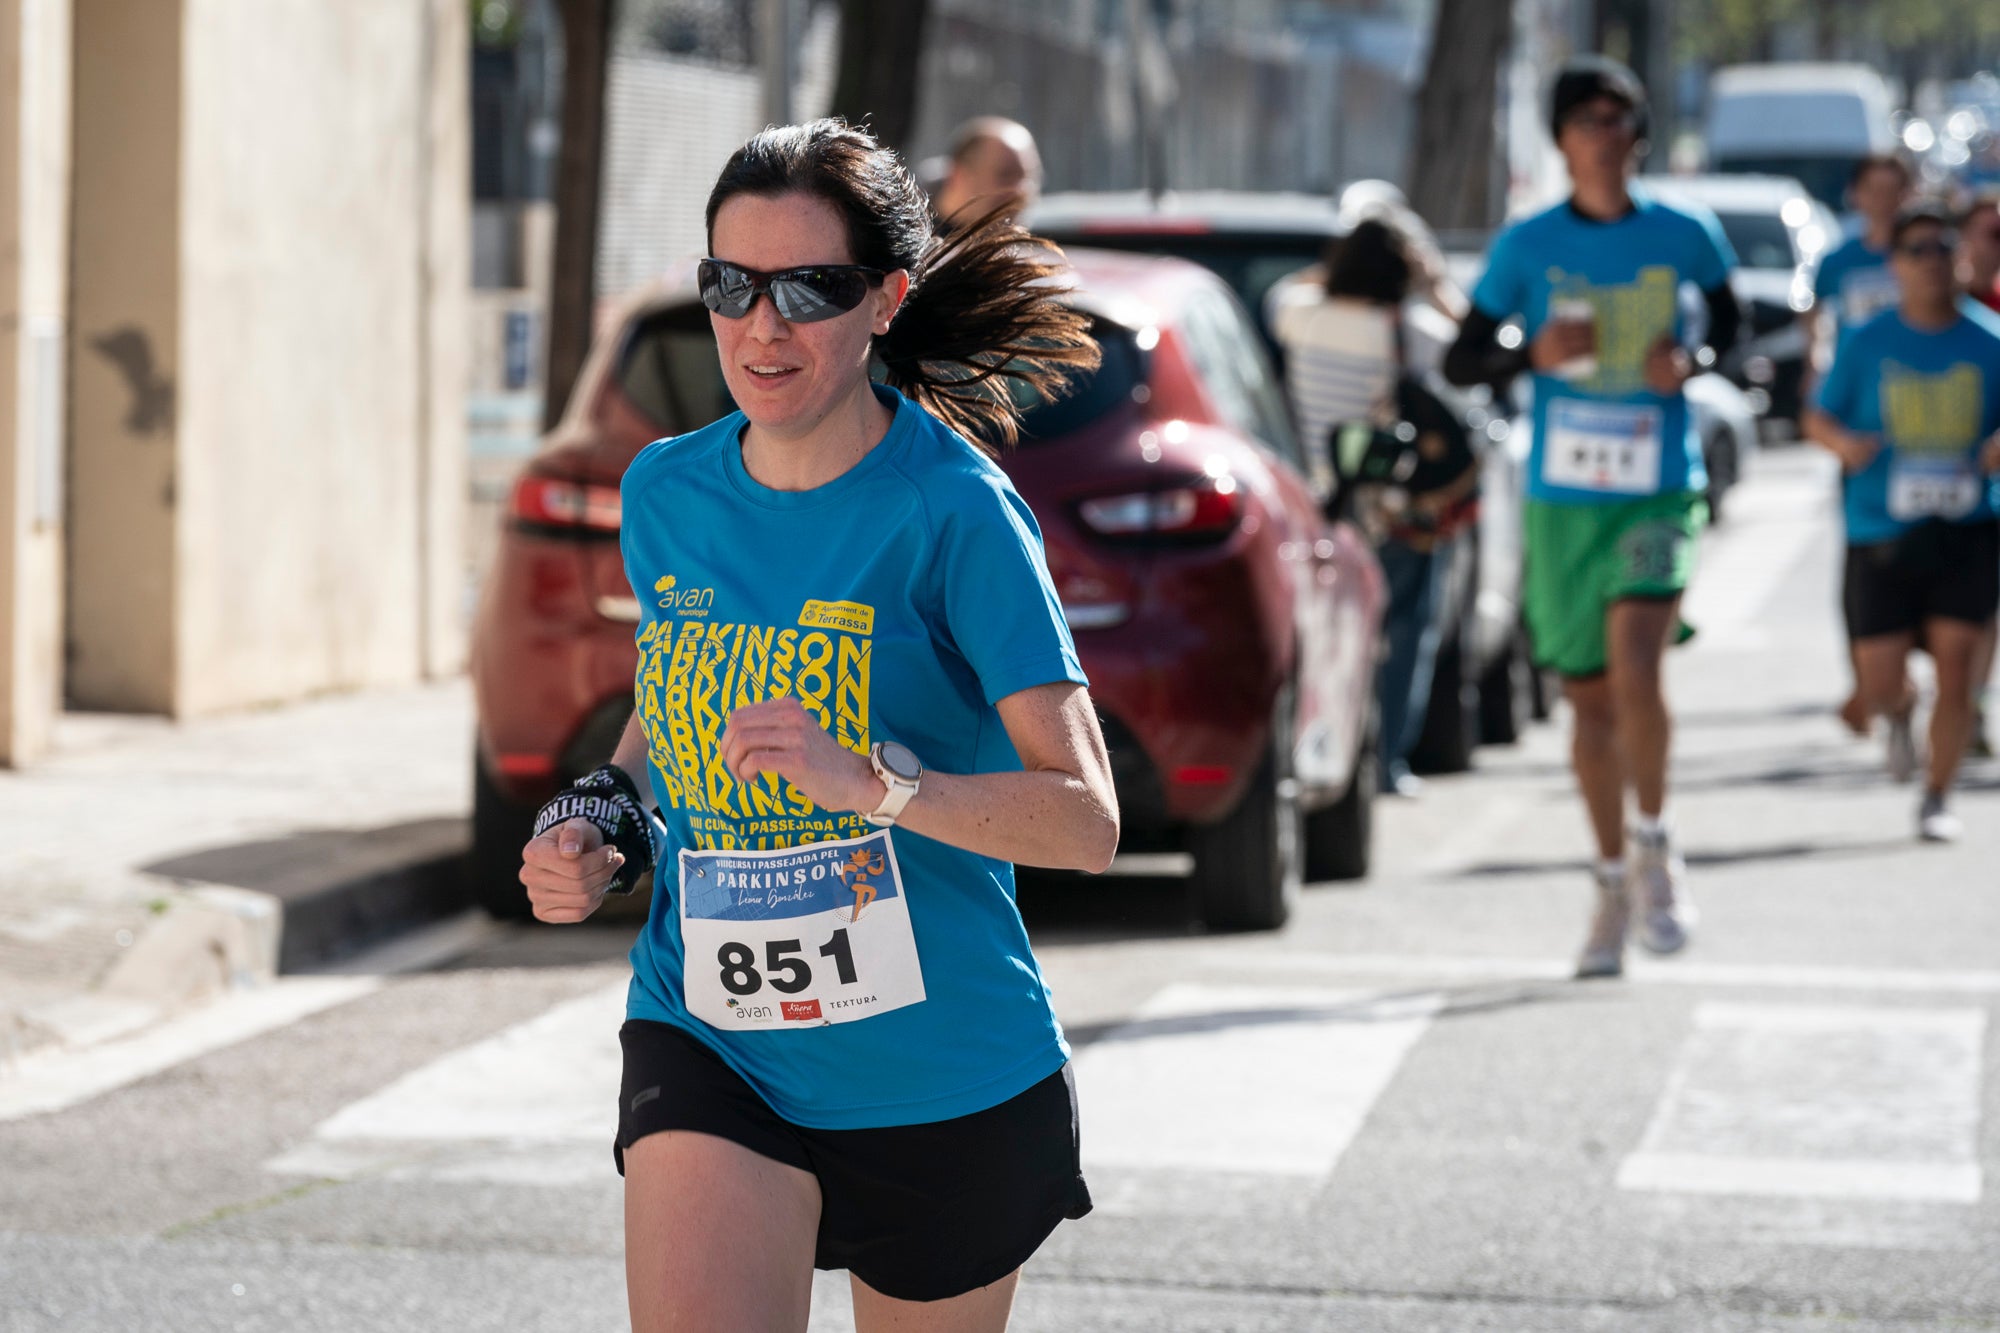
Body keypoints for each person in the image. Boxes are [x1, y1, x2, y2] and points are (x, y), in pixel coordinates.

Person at [518, 119, 1117, 1332]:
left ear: (885, 300)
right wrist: (604, 815)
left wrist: (876, 786)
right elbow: (670, 702)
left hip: (939, 1079)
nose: (762, 327)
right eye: (730, 285)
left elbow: (1085, 819)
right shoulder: (666, 491)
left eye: (809, 289)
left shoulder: (953, 511)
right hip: (713, 1039)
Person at [1442, 56, 1740, 980]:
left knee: (1639, 663)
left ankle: (1655, 841)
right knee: (1591, 704)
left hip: (1658, 487)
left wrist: (1690, 362)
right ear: (1562, 141)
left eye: (1619, 119)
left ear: (1639, 136)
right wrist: (1530, 352)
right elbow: (1460, 360)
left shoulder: (1684, 232)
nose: (1605, 136)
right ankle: (1611, 879)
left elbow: (1731, 328)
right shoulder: (1527, 245)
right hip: (1566, 503)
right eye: (1587, 121)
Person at [1802, 201, 2000, 842]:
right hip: (1881, 532)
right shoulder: (1868, 340)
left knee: (1958, 672)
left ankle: (1937, 795)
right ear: (1896, 265)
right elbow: (1816, 417)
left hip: (1966, 528)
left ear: (1961, 258)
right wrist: (1845, 445)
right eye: (1918, 251)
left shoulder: (1990, 341)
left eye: (1943, 248)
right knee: (1881, 683)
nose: (1932, 262)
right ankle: (1897, 710)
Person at [1277, 219, 1474, 797]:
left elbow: (1281, 292)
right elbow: (1472, 350)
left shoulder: (1298, 315)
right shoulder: (1409, 328)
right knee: (1405, 633)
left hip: (1319, 507)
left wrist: (1337, 270)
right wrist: (1435, 285)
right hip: (1391, 512)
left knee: (1331, 643)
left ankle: (1327, 755)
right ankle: (1386, 763)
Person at [1807, 154, 1917, 738]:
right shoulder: (1839, 261)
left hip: (1933, 421)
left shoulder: (1927, 251)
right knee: (1866, 558)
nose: (1883, 201)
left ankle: (1923, 681)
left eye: (1893, 190)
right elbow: (1815, 317)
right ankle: (1871, 680)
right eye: (1873, 190)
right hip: (1863, 426)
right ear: (1856, 196)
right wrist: (1816, 373)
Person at [930, 116, 1042, 229]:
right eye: (1005, 175)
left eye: (1028, 177)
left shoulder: (1031, 236)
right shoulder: (923, 237)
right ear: (958, 176)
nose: (1020, 191)